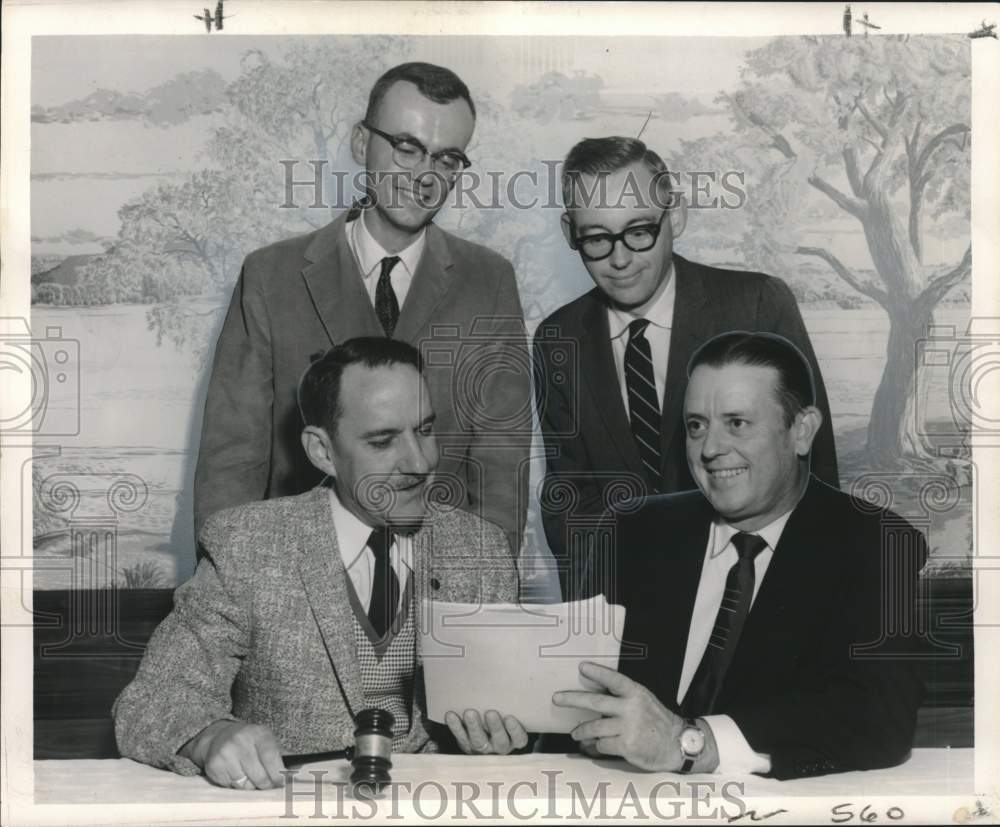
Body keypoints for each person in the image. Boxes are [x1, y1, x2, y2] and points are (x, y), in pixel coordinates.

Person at [115, 338, 527, 789]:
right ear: (322, 452)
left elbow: (520, 714)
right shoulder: (247, 545)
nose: (420, 461)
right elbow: (149, 702)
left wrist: (510, 736)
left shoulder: (481, 548)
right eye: (383, 440)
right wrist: (209, 736)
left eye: (425, 430)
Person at [552, 332, 925, 779]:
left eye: (737, 423)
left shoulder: (875, 542)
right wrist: (515, 732)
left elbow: (880, 718)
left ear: (802, 430)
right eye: (696, 425)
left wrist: (692, 743)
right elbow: (579, 696)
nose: (709, 449)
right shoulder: (629, 530)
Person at [194, 62, 530, 556]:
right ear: (360, 144)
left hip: (435, 581)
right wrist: (228, 591)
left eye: (448, 159)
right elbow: (231, 463)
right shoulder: (271, 277)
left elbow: (501, 466)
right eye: (407, 148)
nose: (425, 177)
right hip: (296, 582)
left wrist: (479, 601)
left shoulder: (490, 281)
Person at [534, 137, 839, 597]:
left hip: (757, 593)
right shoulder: (559, 339)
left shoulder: (756, 305)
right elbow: (571, 503)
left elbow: (815, 470)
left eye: (639, 231)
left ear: (675, 214)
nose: (619, 260)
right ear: (568, 232)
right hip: (625, 606)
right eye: (596, 238)